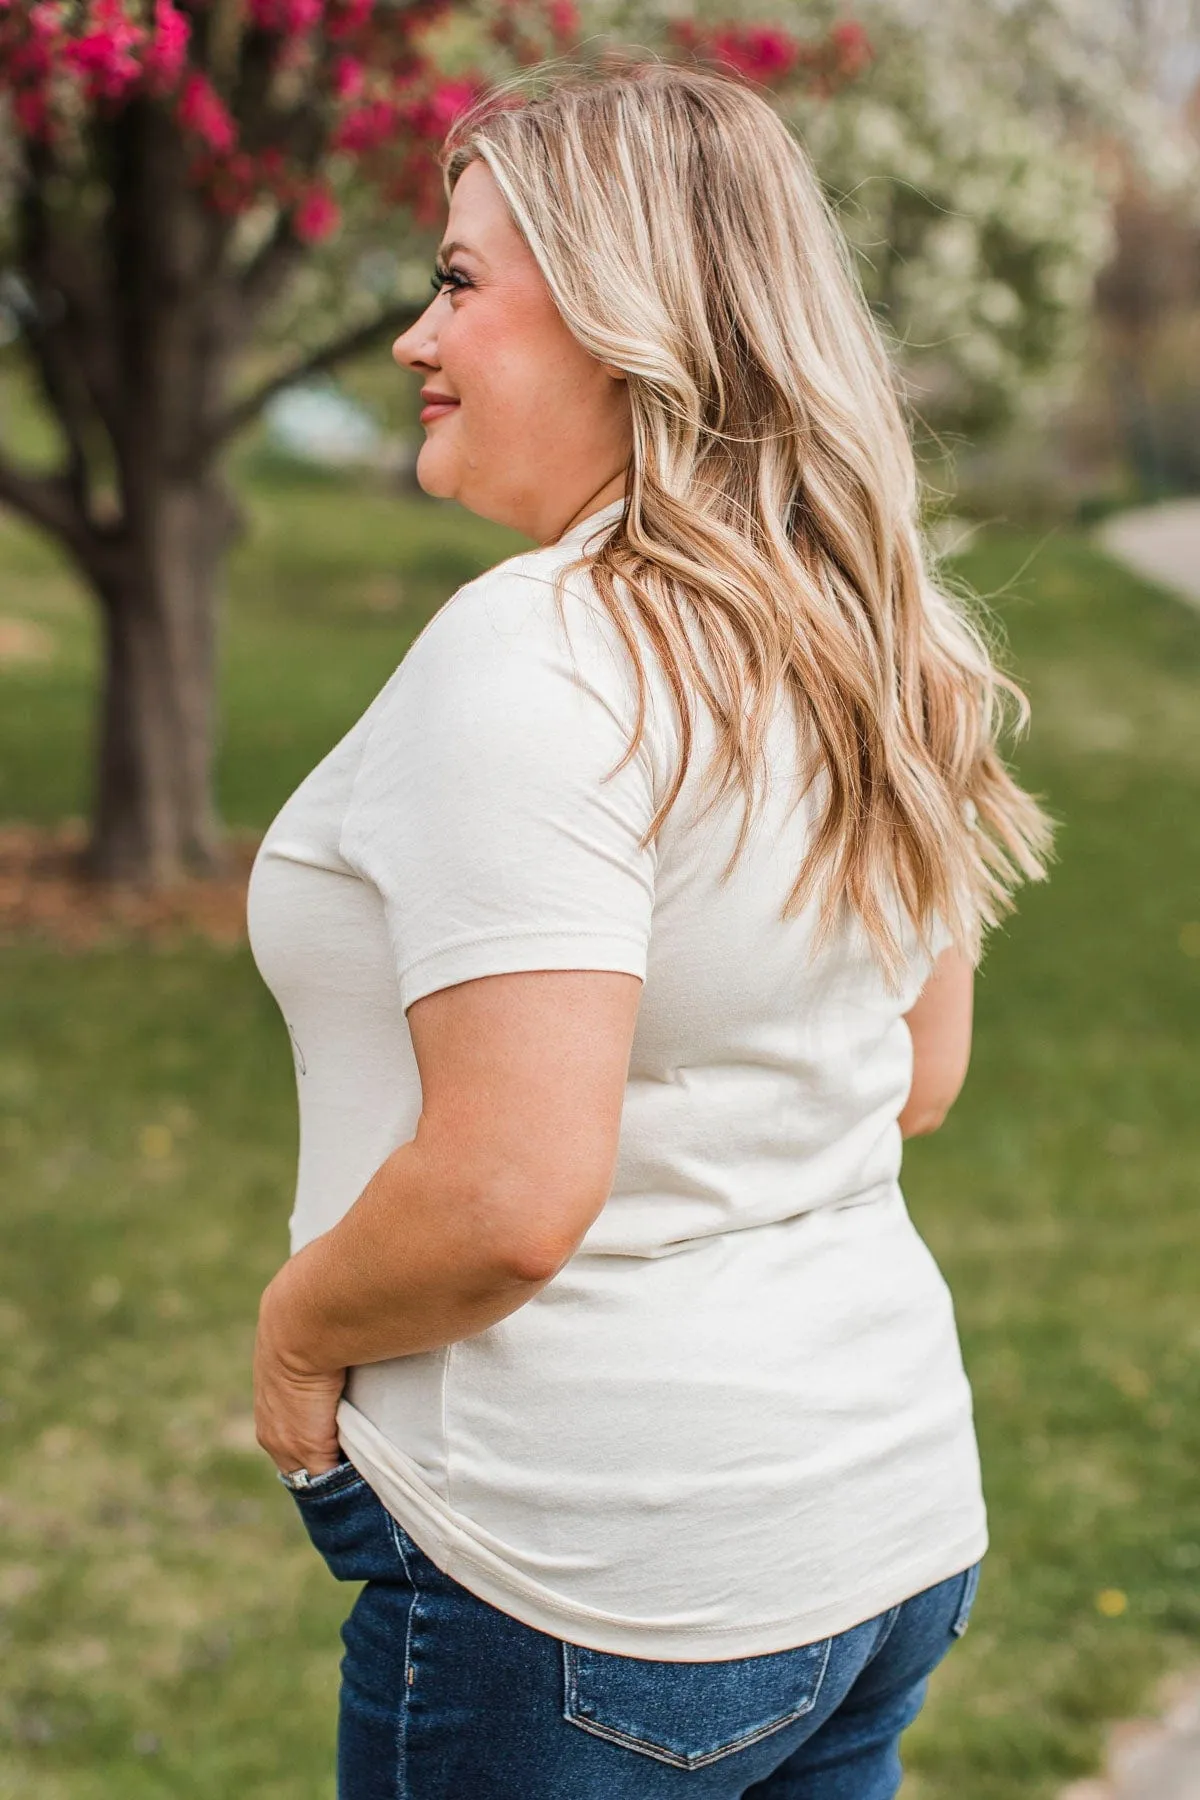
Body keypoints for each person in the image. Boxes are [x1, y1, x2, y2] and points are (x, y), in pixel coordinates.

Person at [245, 58, 1052, 1800]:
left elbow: (509, 1200)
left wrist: (300, 1334)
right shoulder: (871, 637)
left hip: (588, 1587)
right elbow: (921, 1073)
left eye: (459, 279)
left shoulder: (534, 657)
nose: (412, 336)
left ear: (624, 320)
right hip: (882, 1526)